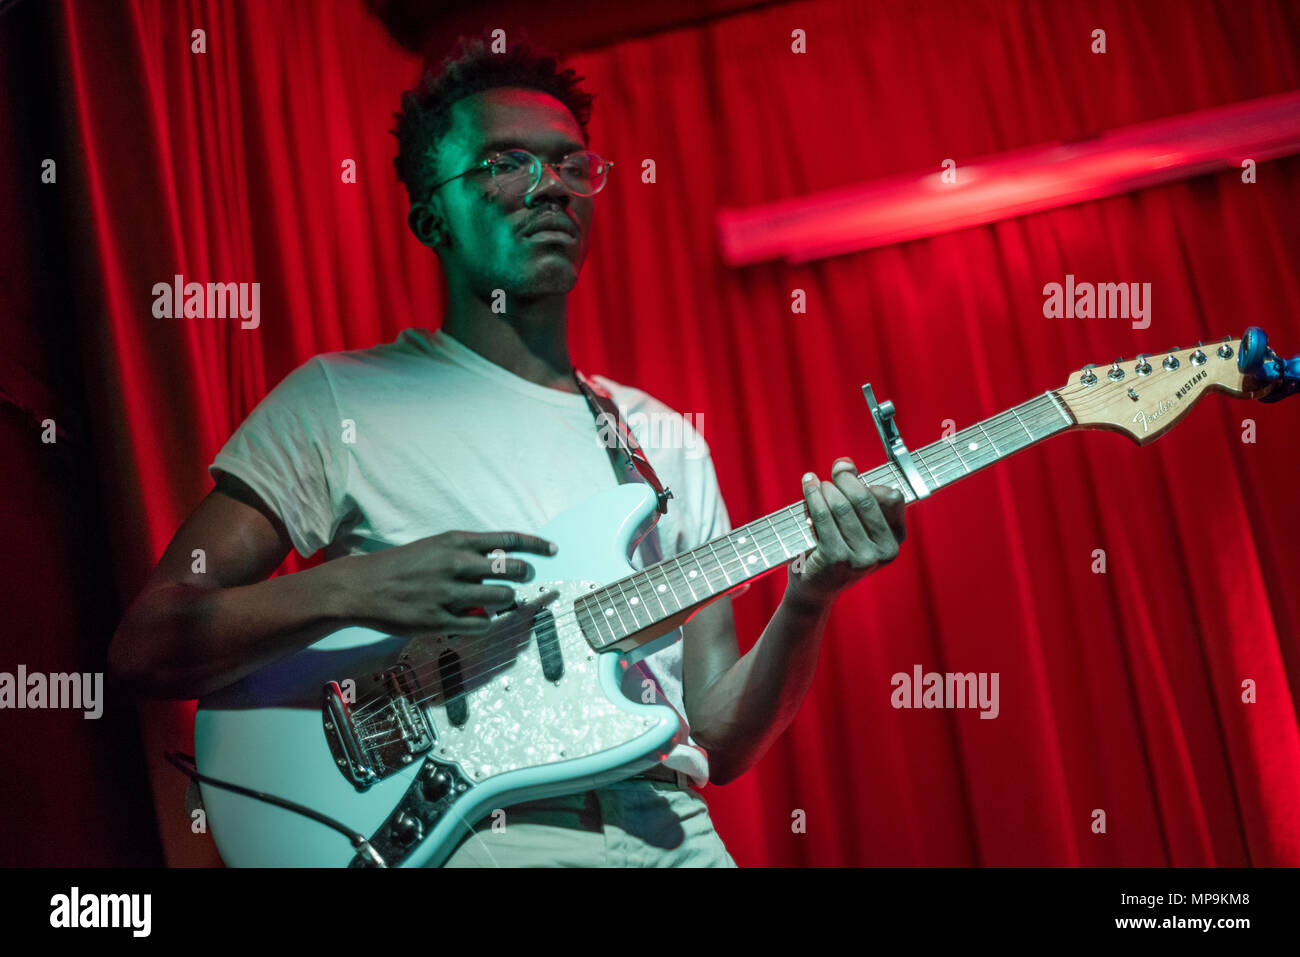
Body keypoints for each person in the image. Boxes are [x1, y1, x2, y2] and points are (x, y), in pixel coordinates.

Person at [109, 35, 907, 867]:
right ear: (429, 213)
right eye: (506, 163)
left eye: (571, 165)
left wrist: (810, 598)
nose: (550, 186)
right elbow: (149, 641)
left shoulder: (661, 436)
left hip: (669, 827)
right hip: (473, 834)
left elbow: (716, 732)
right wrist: (355, 587)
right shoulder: (337, 401)